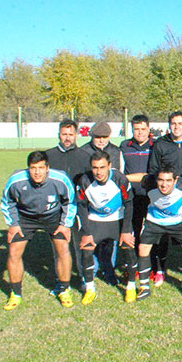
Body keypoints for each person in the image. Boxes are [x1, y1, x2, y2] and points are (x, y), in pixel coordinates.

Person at [0, 151, 76, 310]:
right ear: (28, 168)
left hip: (53, 216)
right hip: (26, 218)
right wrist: (13, 224)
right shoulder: (16, 180)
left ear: (47, 168)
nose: (37, 172)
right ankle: (16, 293)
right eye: (33, 168)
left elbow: (70, 201)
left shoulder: (60, 179)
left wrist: (65, 224)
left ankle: (64, 289)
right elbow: (7, 201)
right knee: (14, 252)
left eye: (41, 168)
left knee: (63, 248)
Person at [147, 111, 182, 287]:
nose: (176, 127)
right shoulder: (160, 144)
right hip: (164, 195)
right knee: (161, 235)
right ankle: (159, 270)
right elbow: (153, 171)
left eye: (180, 123)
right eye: (173, 123)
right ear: (169, 125)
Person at [76, 151, 136, 304]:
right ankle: (90, 289)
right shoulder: (85, 181)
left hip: (117, 219)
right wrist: (86, 232)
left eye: (102, 167)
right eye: (95, 168)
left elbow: (129, 204)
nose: (99, 172)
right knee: (87, 249)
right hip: (95, 219)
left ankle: (131, 287)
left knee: (128, 247)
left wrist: (126, 230)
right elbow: (82, 206)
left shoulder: (119, 179)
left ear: (109, 165)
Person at [136, 166, 182, 300]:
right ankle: (144, 287)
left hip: (178, 222)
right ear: (156, 180)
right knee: (142, 248)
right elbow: (140, 176)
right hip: (154, 221)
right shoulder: (150, 182)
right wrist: (118, 177)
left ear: (175, 180)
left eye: (168, 180)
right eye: (161, 180)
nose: (164, 184)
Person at [45, 119, 91, 293]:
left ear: (76, 135)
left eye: (71, 134)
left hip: (79, 209)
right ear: (59, 134)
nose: (67, 138)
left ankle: (84, 279)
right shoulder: (48, 156)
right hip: (56, 211)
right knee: (59, 249)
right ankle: (61, 282)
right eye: (64, 134)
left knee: (81, 247)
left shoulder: (85, 156)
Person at [81, 120, 124, 283]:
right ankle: (92, 269)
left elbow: (121, 174)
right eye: (97, 137)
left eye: (104, 137)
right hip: (91, 203)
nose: (101, 140)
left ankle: (109, 270)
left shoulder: (116, 151)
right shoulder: (84, 151)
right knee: (91, 239)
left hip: (112, 202)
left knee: (110, 241)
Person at [120, 115, 153, 268]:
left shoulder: (156, 145)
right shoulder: (124, 146)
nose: (140, 132)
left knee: (152, 231)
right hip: (131, 196)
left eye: (143, 129)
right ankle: (132, 264)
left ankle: (152, 264)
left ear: (148, 129)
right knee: (133, 229)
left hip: (151, 196)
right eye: (136, 129)